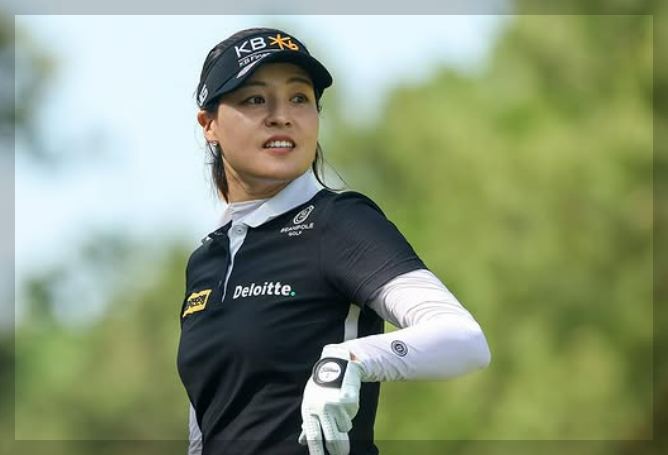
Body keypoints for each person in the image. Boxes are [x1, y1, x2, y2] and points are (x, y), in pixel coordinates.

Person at [176, 27, 491, 455]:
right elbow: (205, 429)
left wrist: (351, 360)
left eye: (299, 98)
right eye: (254, 99)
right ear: (209, 124)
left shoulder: (338, 221)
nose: (281, 115)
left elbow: (464, 339)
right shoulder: (206, 260)